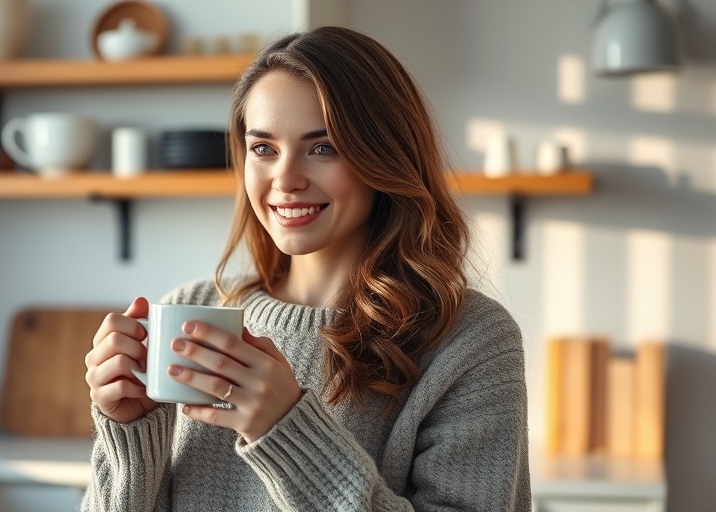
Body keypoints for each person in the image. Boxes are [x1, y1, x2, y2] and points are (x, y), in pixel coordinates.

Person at [82, 25, 530, 511]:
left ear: (385, 156)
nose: (286, 179)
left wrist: (287, 432)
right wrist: (127, 435)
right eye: (264, 148)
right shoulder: (189, 310)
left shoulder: (469, 342)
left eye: (323, 147)